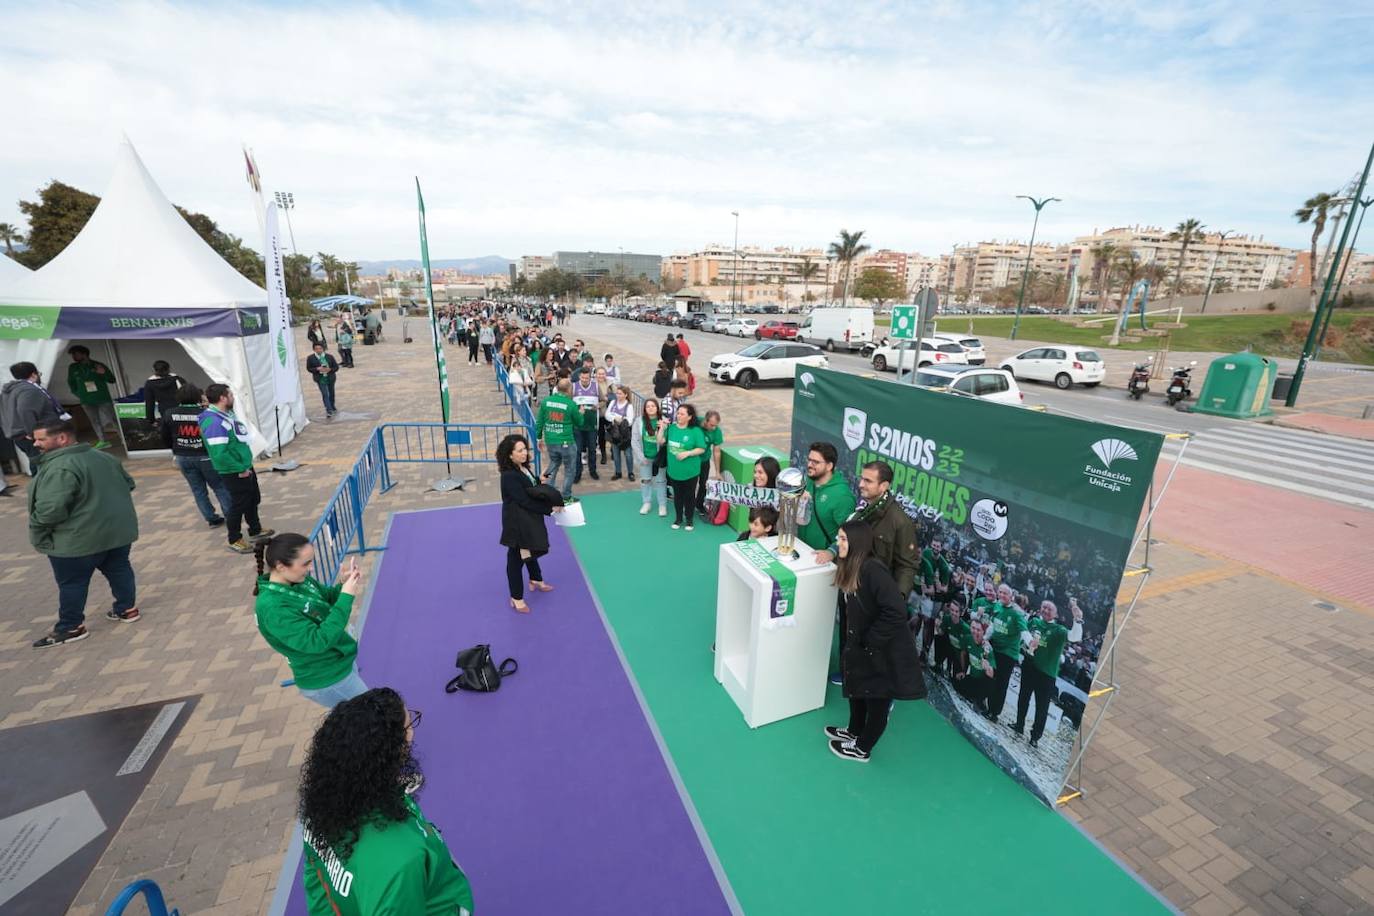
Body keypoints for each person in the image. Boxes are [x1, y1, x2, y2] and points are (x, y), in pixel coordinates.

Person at [299, 687, 476, 914]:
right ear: (385, 752)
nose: (411, 733)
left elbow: (316, 878)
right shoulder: (402, 861)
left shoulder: (320, 807)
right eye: (408, 727)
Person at [28, 418, 141, 648]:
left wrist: (38, 532)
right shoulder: (105, 457)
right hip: (116, 534)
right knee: (120, 570)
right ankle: (126, 609)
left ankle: (71, 627)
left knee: (72, 584)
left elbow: (50, 510)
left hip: (77, 541)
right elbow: (128, 484)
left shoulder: (60, 467)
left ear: (62, 438)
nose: (36, 444)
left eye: (41, 439)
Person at [826, 520, 924, 762]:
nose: (838, 543)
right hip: (864, 646)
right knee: (858, 689)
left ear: (857, 542)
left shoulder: (873, 570)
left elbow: (896, 611)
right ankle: (853, 731)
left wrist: (871, 639)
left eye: (843, 539)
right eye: (839, 538)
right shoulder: (851, 567)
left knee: (878, 700)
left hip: (884, 651)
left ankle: (862, 748)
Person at [253, 534, 369, 706]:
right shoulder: (272, 608)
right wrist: (346, 597)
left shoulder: (298, 579)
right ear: (281, 566)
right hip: (327, 677)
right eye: (306, 563)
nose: (311, 568)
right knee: (374, 720)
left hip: (339, 661)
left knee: (363, 721)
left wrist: (342, 585)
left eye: (311, 561)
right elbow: (317, 641)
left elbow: (326, 599)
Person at [200, 384, 274, 554]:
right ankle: (234, 539)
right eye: (230, 395)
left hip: (244, 466)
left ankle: (255, 529)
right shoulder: (214, 422)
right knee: (238, 505)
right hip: (234, 470)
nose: (233, 397)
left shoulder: (225, 414)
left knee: (252, 498)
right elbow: (219, 453)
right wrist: (240, 468)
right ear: (222, 398)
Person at [498, 434, 563, 613]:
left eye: (525, 449)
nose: (524, 453)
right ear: (509, 455)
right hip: (517, 523)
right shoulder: (509, 476)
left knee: (530, 548)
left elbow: (530, 487)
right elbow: (524, 500)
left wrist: (539, 480)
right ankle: (516, 597)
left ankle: (536, 579)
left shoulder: (523, 468)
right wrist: (550, 509)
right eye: (519, 451)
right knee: (516, 559)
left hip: (528, 519)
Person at [1013, 599, 1084, 748]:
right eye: (1043, 607)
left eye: (1049, 609)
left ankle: (1035, 737)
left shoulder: (1059, 630)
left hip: (1046, 675)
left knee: (1042, 707)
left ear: (1056, 614)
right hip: (1029, 666)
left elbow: (1075, 637)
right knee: (1023, 698)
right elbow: (1023, 637)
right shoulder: (1033, 622)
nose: (1045, 610)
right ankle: (1019, 725)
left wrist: (1077, 621)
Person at [162, 384, 232, 527]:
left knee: (198, 489)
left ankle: (211, 518)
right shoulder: (204, 413)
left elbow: (165, 436)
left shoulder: (169, 413)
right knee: (219, 486)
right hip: (205, 456)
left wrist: (176, 448)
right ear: (197, 396)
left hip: (183, 456)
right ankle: (231, 515)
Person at [2, 361, 66, 467]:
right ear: (33, 374)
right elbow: (25, 411)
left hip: (20, 435)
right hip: (34, 436)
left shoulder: (10, 391)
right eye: (39, 374)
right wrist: (33, 434)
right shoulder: (29, 390)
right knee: (42, 465)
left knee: (38, 463)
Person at [797, 442, 856, 552]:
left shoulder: (842, 496)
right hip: (801, 550)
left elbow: (850, 534)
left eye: (815, 462)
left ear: (829, 466)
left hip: (822, 560)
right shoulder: (808, 481)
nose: (809, 464)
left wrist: (831, 552)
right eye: (809, 460)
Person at [659, 403, 709, 531]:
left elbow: (702, 449)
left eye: (682, 414)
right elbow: (660, 441)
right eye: (678, 413)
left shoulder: (695, 431)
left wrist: (688, 453)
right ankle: (678, 518)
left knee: (689, 496)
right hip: (674, 470)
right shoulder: (672, 428)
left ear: (689, 417)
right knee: (678, 496)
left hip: (690, 471)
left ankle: (689, 520)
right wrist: (662, 429)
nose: (678, 416)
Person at [984, 582, 1029, 721]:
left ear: (1011, 596)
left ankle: (995, 713)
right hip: (994, 648)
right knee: (990, 678)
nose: (1002, 595)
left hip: (1008, 654)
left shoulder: (1017, 613)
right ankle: (987, 706)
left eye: (1005, 593)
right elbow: (992, 624)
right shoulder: (997, 606)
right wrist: (985, 638)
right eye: (1001, 592)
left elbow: (1024, 631)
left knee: (1001, 684)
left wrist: (1030, 642)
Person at [65, 345, 117, 449]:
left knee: (113, 419)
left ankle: (125, 438)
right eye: (73, 354)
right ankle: (103, 440)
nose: (74, 356)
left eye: (76, 354)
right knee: (94, 421)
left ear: (84, 354)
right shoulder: (73, 367)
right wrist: (78, 393)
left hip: (102, 398)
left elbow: (112, 380)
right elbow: (71, 382)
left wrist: (104, 373)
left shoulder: (97, 365)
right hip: (86, 399)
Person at [535, 378, 578, 503]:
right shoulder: (570, 404)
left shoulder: (546, 401)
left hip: (551, 440)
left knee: (553, 464)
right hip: (566, 441)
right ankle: (566, 496)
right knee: (569, 469)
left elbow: (539, 422)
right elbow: (579, 422)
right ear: (569, 389)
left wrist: (539, 438)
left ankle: (548, 492)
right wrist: (580, 412)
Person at [953, 619, 997, 715]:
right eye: (973, 628)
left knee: (990, 681)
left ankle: (981, 700)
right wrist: (963, 671)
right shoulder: (968, 638)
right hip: (972, 677)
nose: (975, 632)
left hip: (982, 682)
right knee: (956, 681)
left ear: (983, 632)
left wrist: (988, 667)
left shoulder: (987, 648)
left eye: (978, 630)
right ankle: (974, 697)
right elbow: (963, 653)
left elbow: (992, 674)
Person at [634, 397, 668, 516]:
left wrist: (662, 428)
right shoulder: (639, 421)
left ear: (657, 408)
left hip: (659, 458)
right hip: (645, 458)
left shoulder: (663, 421)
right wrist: (641, 457)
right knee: (645, 481)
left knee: (661, 481)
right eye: (648, 406)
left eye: (653, 406)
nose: (650, 408)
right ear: (644, 409)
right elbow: (635, 441)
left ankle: (662, 505)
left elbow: (663, 442)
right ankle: (646, 502)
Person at [570, 367, 601, 483]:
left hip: (592, 425)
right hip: (578, 425)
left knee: (592, 449)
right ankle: (578, 473)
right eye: (582, 378)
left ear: (590, 377)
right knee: (577, 450)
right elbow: (569, 403)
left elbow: (603, 400)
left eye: (587, 378)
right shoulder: (573, 387)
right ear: (579, 377)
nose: (584, 380)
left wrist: (598, 405)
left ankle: (593, 471)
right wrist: (576, 409)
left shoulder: (596, 386)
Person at [604, 385, 637, 481]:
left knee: (628, 454)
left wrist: (620, 419)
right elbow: (607, 414)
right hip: (614, 433)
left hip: (625, 434)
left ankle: (630, 472)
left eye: (620, 393)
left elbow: (630, 420)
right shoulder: (613, 402)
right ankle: (618, 472)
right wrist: (614, 418)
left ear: (625, 395)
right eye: (617, 393)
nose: (617, 395)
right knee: (616, 454)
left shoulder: (629, 406)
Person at [695, 409, 724, 516]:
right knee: (690, 484)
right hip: (692, 460)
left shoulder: (717, 431)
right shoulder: (696, 422)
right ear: (705, 421)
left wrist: (717, 472)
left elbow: (716, 452)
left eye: (715, 425)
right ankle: (687, 504)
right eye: (711, 425)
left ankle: (699, 505)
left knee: (703, 484)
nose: (714, 428)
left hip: (704, 460)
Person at [306, 342, 341, 418]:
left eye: (320, 348)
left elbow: (336, 367)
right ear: (314, 349)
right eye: (316, 349)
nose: (318, 350)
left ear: (323, 349)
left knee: (331, 393)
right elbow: (309, 368)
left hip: (330, 377)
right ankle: (328, 410)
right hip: (320, 378)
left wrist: (330, 369)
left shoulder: (329, 357)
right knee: (325, 394)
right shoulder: (310, 358)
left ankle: (332, 406)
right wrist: (317, 369)